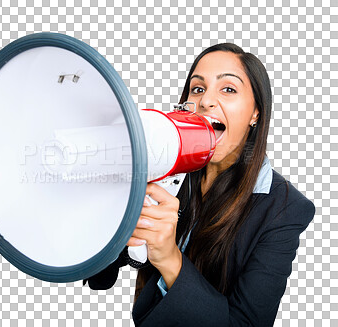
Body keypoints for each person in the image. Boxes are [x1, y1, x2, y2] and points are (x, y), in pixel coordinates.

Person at [83, 43, 315, 326]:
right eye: (197, 89)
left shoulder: (285, 208)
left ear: (256, 112)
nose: (206, 101)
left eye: (228, 89)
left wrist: (169, 259)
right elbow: (101, 272)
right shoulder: (170, 170)